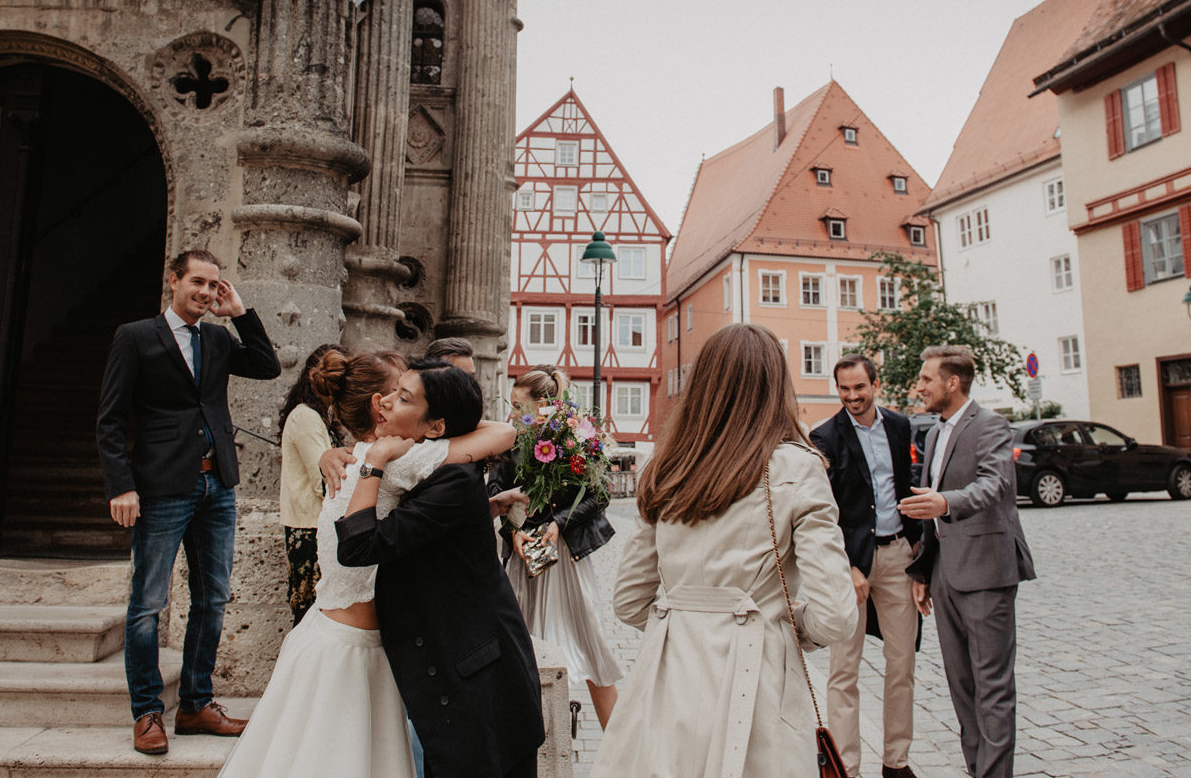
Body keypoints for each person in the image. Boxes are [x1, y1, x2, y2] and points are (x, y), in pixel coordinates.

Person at [217, 351, 518, 777]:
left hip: (322, 635)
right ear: (378, 406)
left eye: (405, 395)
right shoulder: (392, 461)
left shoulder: (354, 458)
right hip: (355, 652)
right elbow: (503, 432)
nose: (396, 400)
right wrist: (398, 446)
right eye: (396, 392)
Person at [591, 323, 856, 778]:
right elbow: (836, 614)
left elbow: (629, 601)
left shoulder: (666, 468)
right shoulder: (797, 465)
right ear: (776, 387)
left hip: (669, 682)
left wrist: (684, 618)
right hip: (760, 680)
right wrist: (788, 628)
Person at [95, 249, 282, 755]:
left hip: (216, 484)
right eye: (197, 282)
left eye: (213, 285)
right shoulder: (135, 337)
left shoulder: (218, 337)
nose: (205, 292)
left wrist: (240, 312)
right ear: (173, 281)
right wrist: (121, 485)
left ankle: (197, 704)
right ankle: (147, 712)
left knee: (213, 599)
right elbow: (110, 420)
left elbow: (267, 367)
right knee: (147, 605)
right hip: (160, 487)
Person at [338, 360, 545, 778]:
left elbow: (359, 546)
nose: (386, 402)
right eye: (393, 390)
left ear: (435, 427)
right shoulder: (425, 461)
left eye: (404, 397)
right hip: (451, 667)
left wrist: (373, 462)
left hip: (479, 682)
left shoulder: (452, 480)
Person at [901, 345, 1034, 778]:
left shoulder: (991, 425)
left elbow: (995, 484)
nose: (919, 387)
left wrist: (946, 502)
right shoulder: (935, 432)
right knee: (961, 688)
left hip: (986, 570)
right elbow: (927, 506)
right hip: (944, 574)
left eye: (926, 379)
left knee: (992, 688)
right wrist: (923, 570)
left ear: (952, 383)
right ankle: (978, 769)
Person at [809, 352, 922, 778]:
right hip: (850, 565)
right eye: (844, 389)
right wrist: (846, 567)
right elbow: (823, 510)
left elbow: (905, 487)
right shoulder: (824, 437)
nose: (852, 397)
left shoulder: (899, 426)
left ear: (876, 384)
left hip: (898, 557)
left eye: (859, 387)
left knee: (902, 665)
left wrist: (919, 560)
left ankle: (896, 762)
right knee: (844, 669)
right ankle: (847, 768)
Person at [494, 366, 622, 729]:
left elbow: (598, 496)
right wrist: (512, 532)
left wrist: (557, 523)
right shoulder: (509, 445)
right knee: (523, 648)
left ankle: (617, 748)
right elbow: (494, 495)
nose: (513, 413)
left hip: (564, 557)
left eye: (519, 406)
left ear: (544, 406)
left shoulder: (571, 441)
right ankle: (535, 738)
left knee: (592, 646)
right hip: (524, 559)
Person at [278, 343, 346, 625]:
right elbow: (323, 480)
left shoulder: (318, 416)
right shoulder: (306, 417)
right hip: (308, 529)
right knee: (309, 613)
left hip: (313, 525)